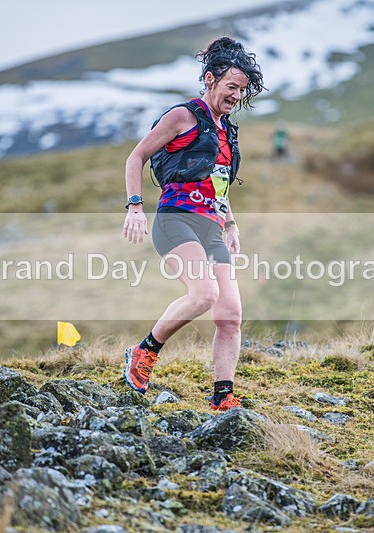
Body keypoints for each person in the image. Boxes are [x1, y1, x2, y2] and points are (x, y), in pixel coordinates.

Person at [121, 37, 265, 411]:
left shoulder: (227, 130)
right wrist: (135, 206)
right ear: (209, 80)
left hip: (211, 227)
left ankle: (222, 396)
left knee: (230, 315)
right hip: (175, 221)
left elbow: (218, 182)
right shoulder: (182, 117)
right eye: (231, 87)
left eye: (242, 90)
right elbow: (135, 158)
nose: (236, 95)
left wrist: (231, 225)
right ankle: (144, 351)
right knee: (204, 295)